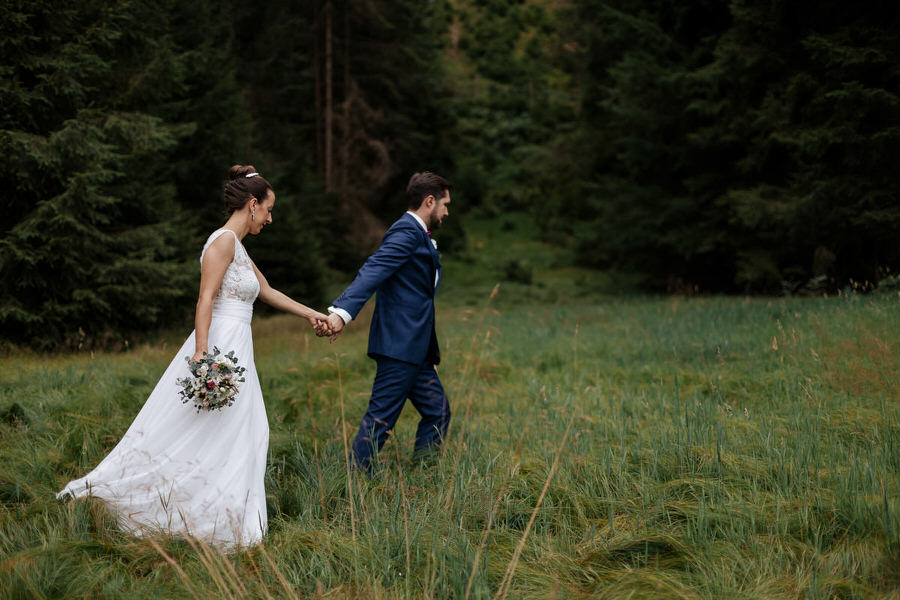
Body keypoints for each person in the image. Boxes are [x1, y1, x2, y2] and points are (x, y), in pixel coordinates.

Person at [58, 165, 329, 548]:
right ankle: (200, 512)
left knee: (246, 431)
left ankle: (225, 510)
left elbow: (266, 290)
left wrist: (311, 314)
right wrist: (202, 357)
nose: (271, 217)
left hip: (239, 347)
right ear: (252, 205)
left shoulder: (237, 246)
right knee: (225, 430)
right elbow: (205, 299)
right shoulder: (222, 242)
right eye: (268, 209)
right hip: (221, 347)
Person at [322, 171, 452, 472]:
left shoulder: (418, 234)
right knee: (380, 419)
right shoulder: (406, 231)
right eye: (445, 204)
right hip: (398, 346)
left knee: (438, 411)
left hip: (415, 349)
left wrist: (429, 354)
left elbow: (421, 301)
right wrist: (342, 313)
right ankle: (354, 483)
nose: (447, 211)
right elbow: (374, 270)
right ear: (429, 201)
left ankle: (423, 475)